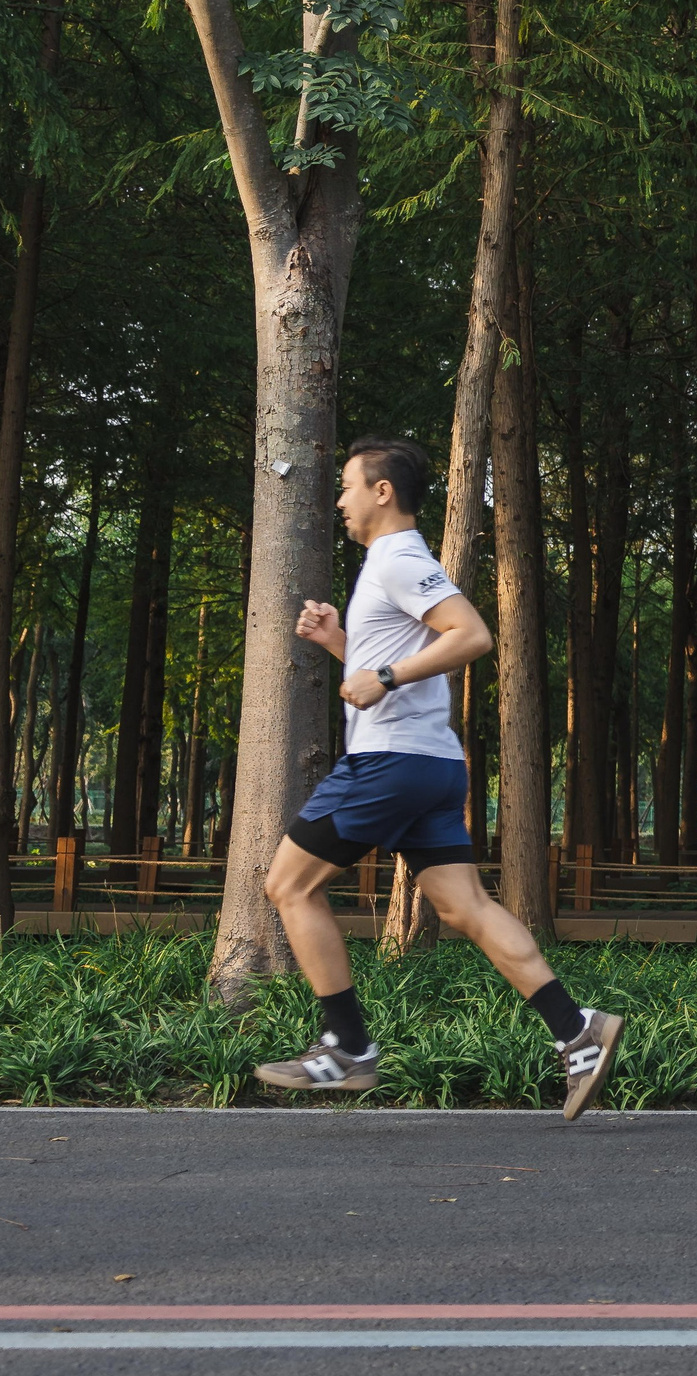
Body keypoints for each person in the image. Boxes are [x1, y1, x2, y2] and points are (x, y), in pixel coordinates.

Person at [251, 438, 623, 1119]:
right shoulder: (385, 567)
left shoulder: (399, 558)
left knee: (287, 885)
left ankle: (346, 1046)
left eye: (347, 486)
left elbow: (471, 635)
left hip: (388, 763)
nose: (339, 500)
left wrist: (384, 673)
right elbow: (389, 671)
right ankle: (578, 1030)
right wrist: (341, 645)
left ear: (382, 492)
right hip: (431, 764)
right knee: (464, 909)